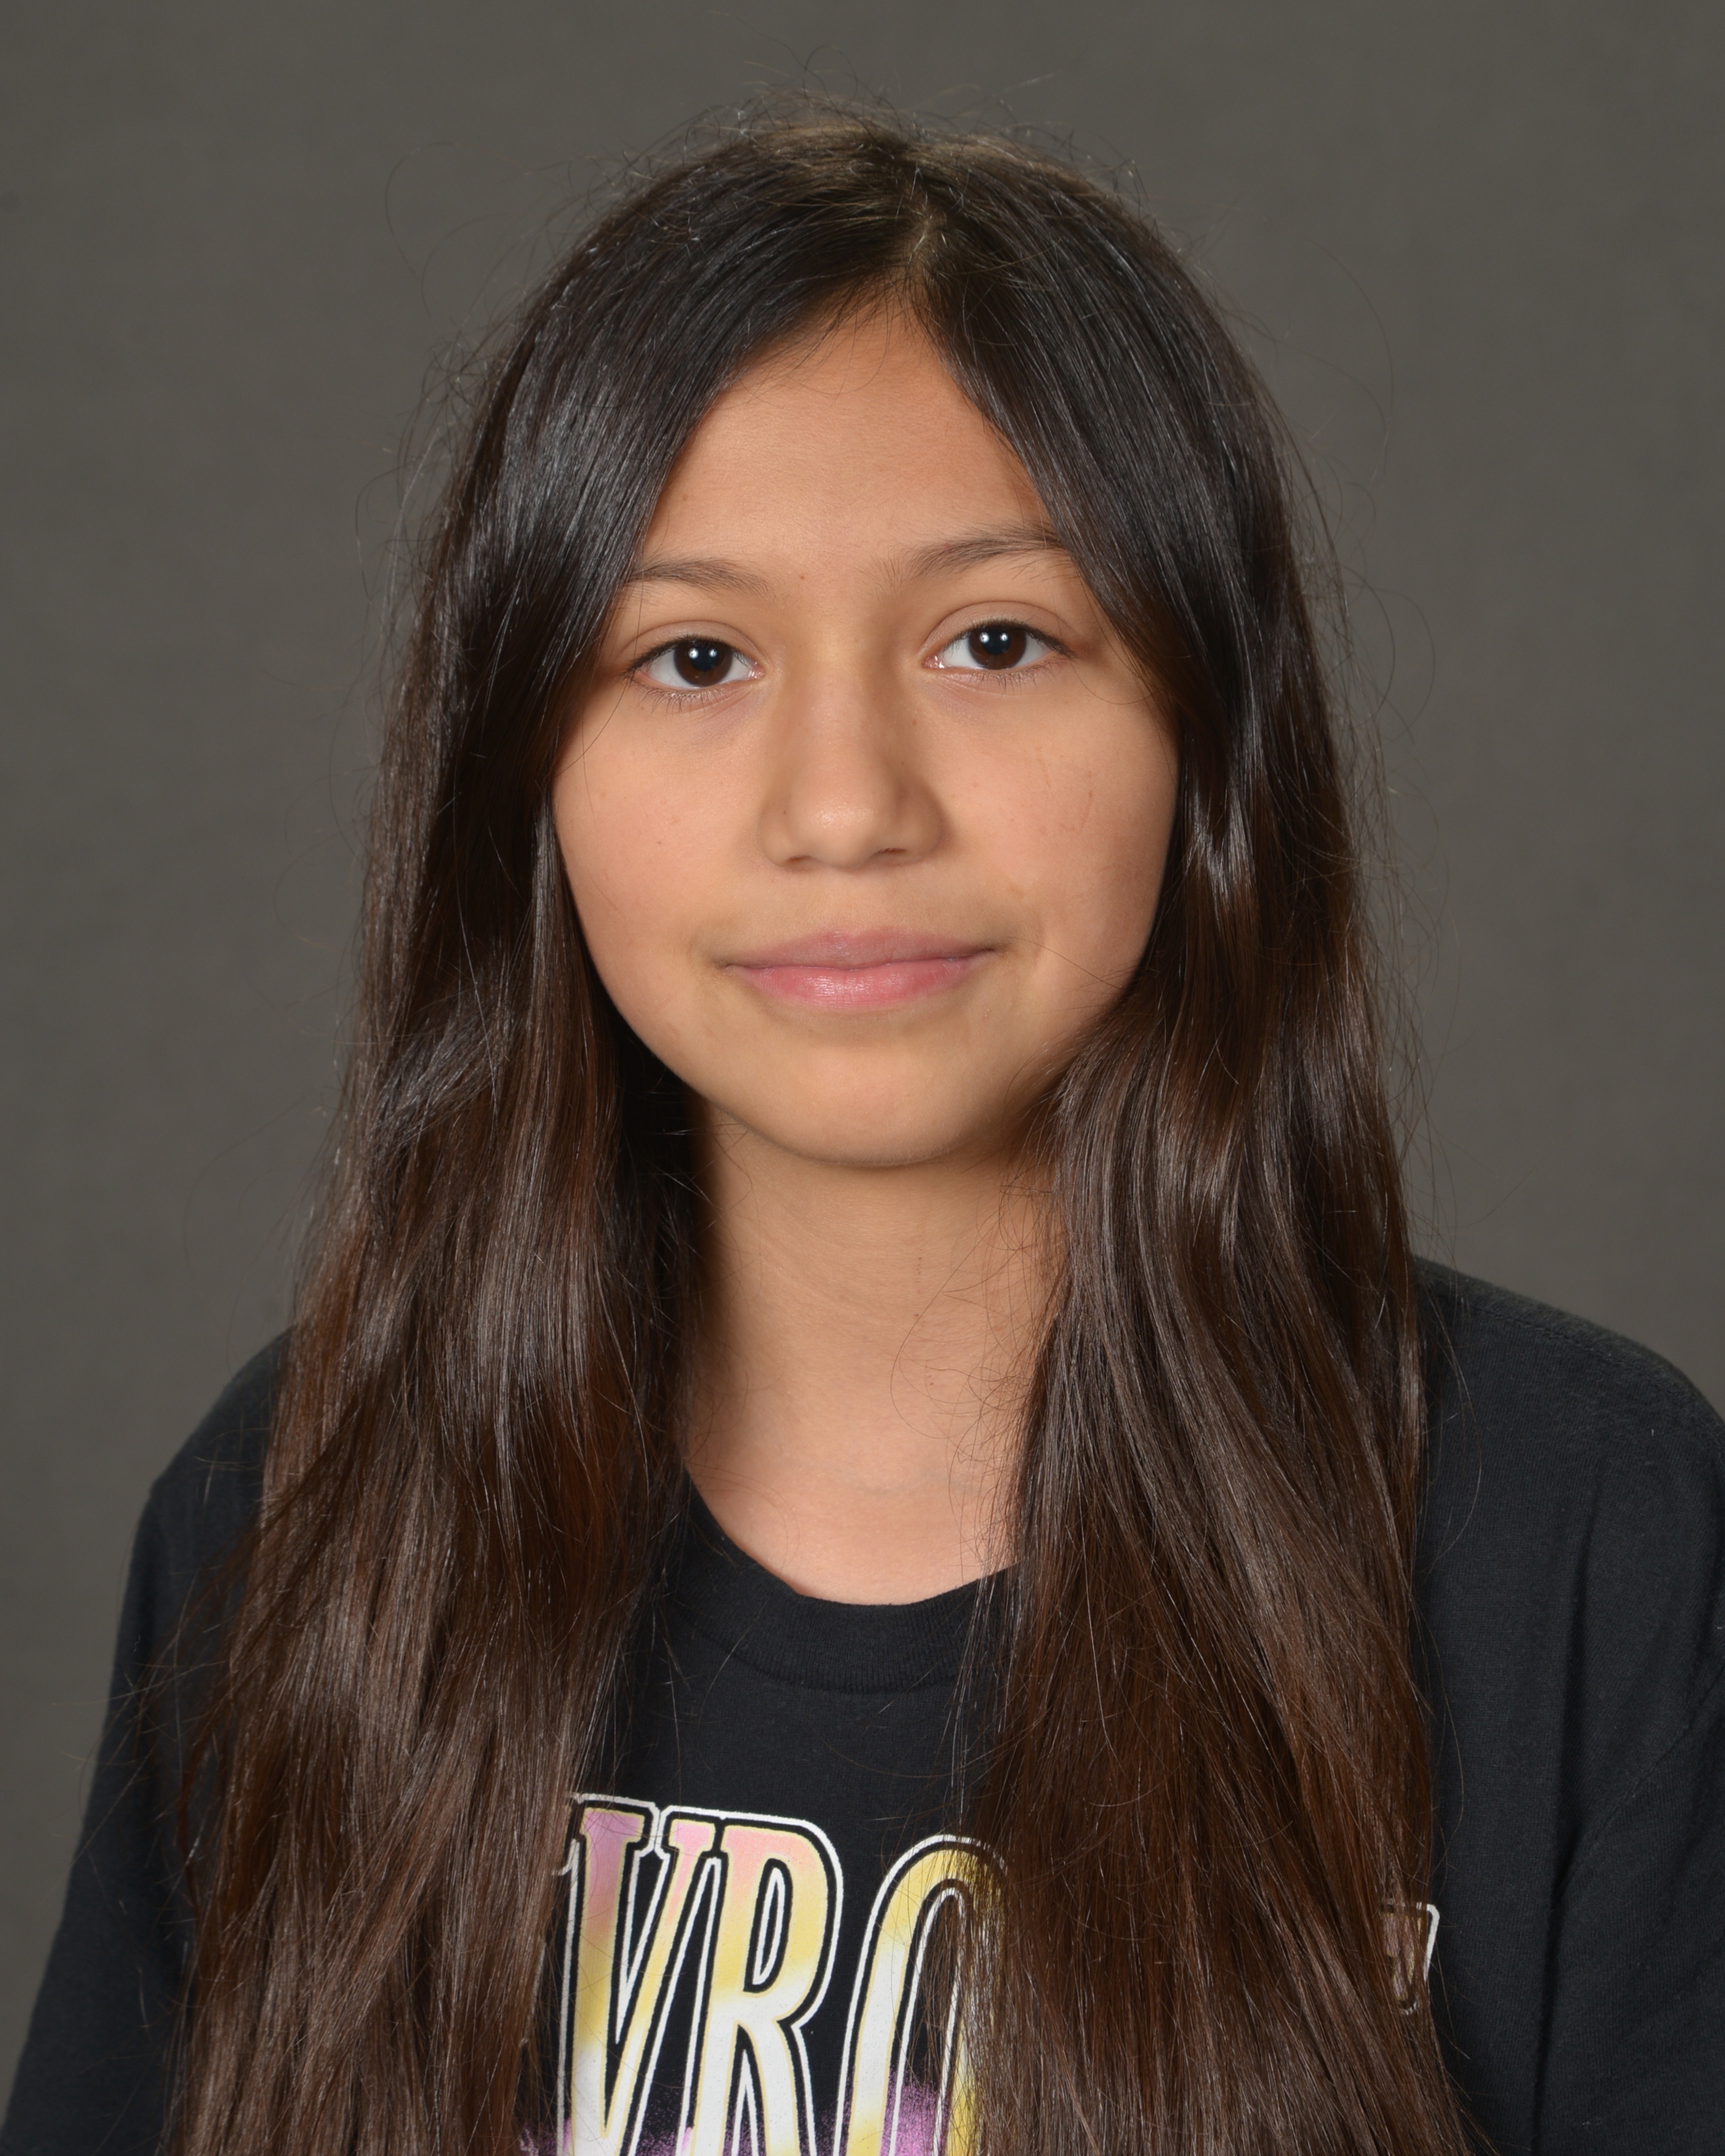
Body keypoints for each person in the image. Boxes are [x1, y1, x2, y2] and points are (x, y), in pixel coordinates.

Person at [4, 110, 1721, 2156]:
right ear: (524, 765)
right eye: (693, 656)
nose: (843, 804)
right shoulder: (295, 1515)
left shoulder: (1580, 1538)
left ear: (1206, 729)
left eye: (996, 640)